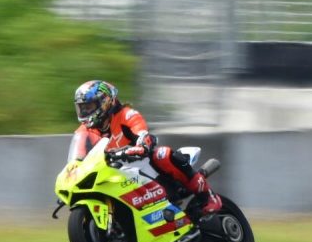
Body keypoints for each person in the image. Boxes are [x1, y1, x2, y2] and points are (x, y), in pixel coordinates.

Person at [70, 80, 222, 219]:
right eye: (82, 108)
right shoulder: (84, 131)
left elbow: (142, 132)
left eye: (88, 107)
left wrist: (141, 145)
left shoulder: (127, 115)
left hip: (140, 162)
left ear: (105, 102)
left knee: (162, 154)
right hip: (112, 173)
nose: (84, 113)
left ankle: (208, 197)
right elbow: (78, 159)